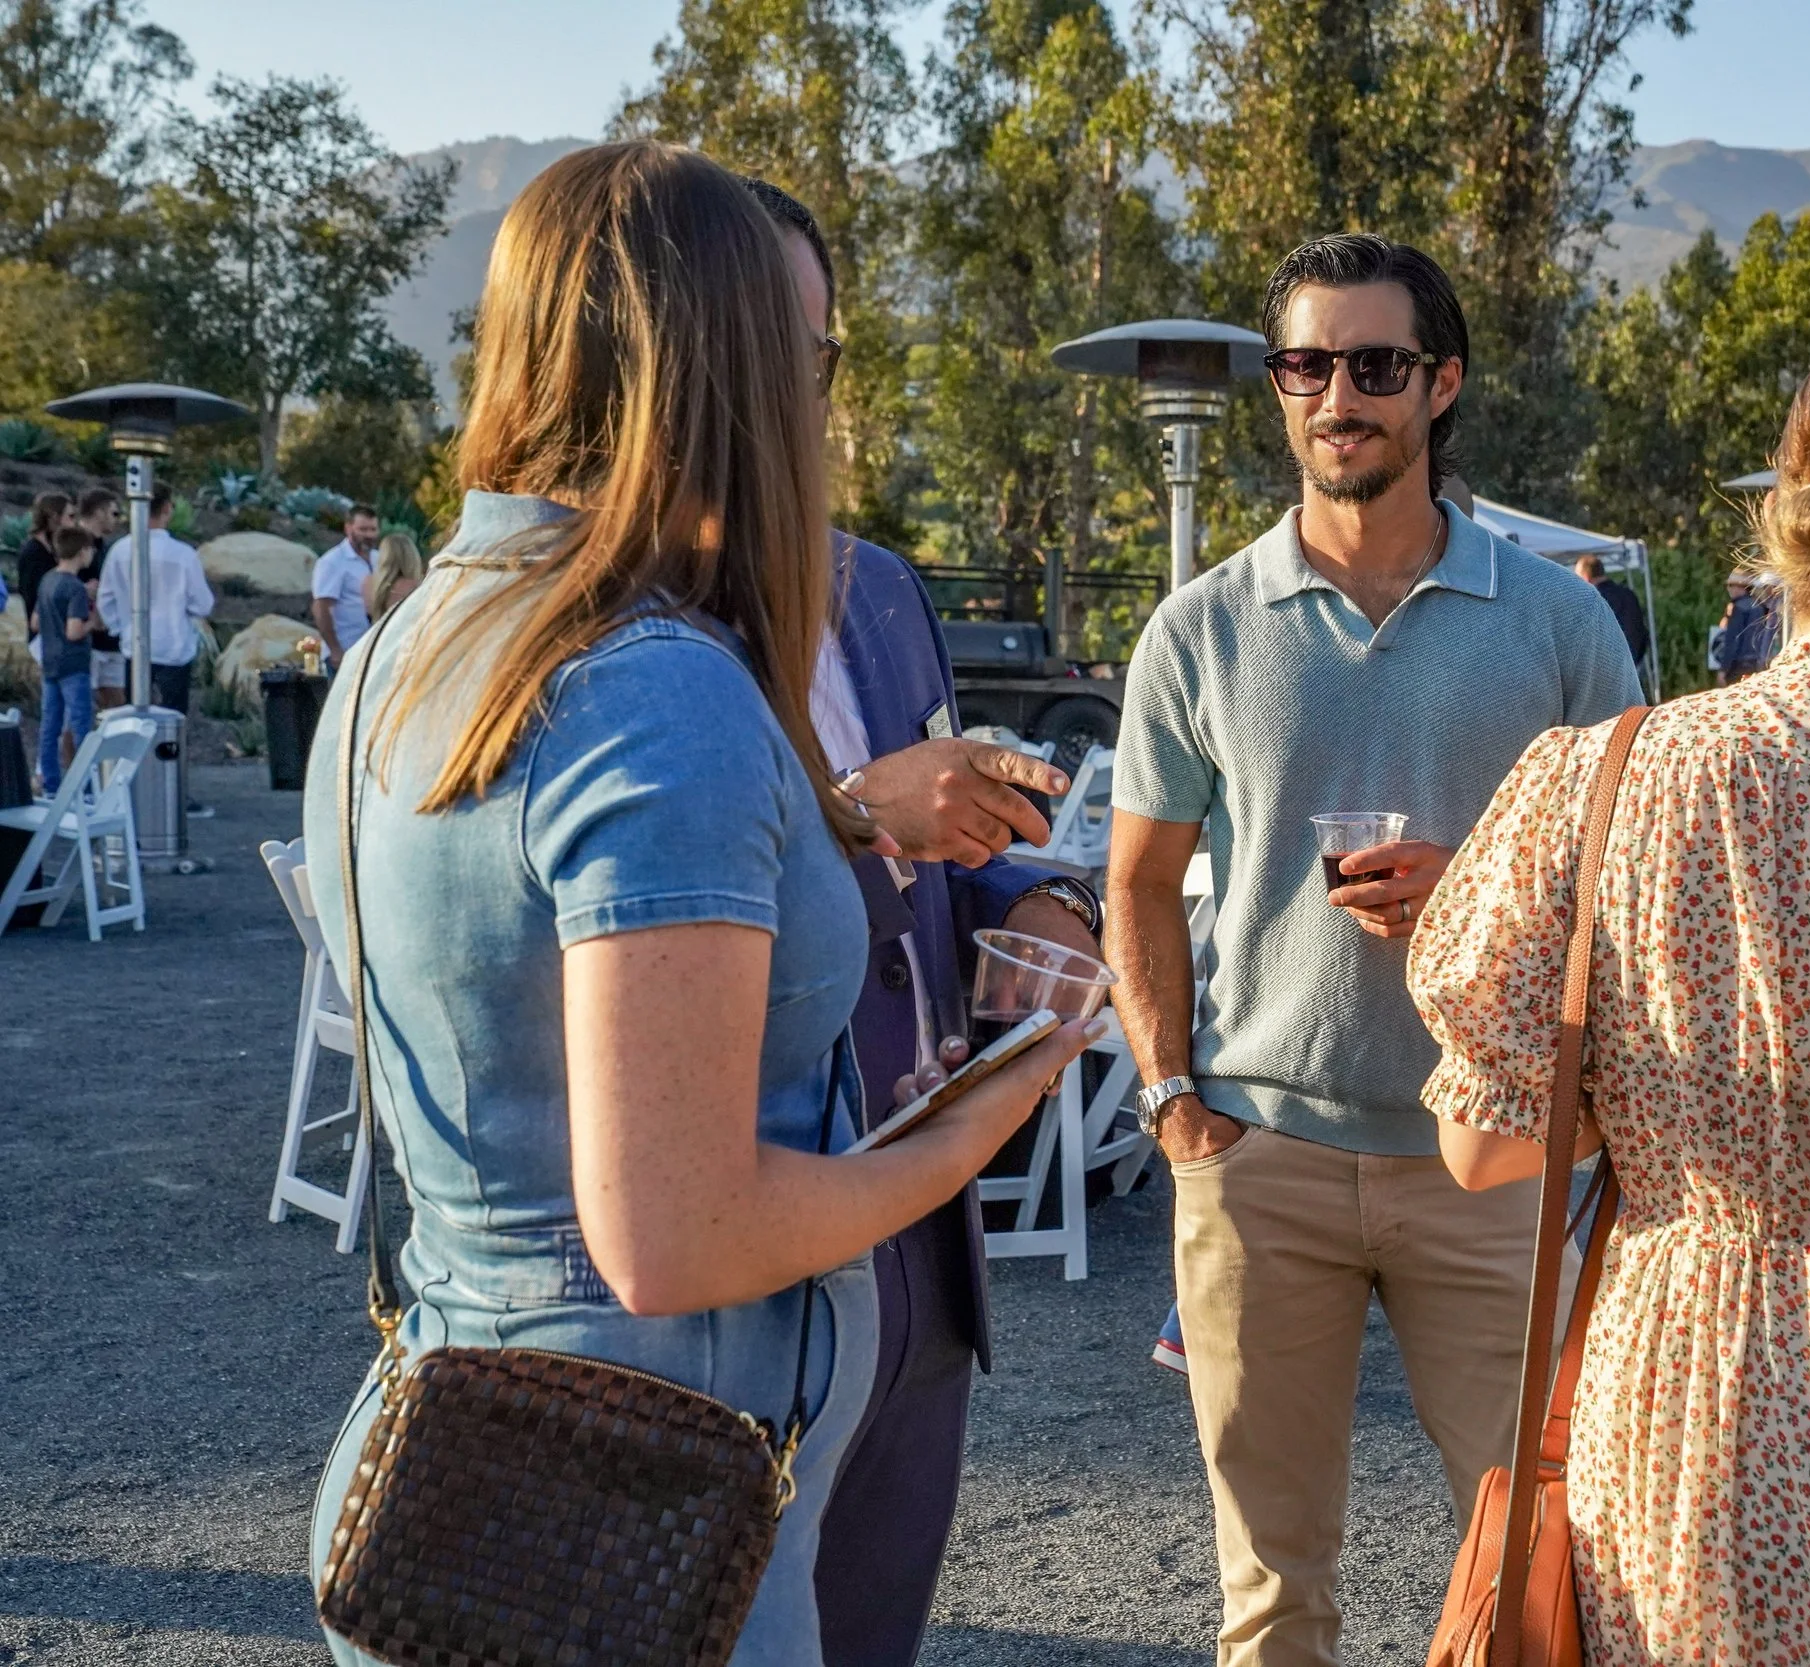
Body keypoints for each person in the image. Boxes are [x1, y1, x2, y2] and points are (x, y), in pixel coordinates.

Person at [297, 140, 1095, 1667]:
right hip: (640, 1525)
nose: (817, 404)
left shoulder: (415, 639)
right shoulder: (655, 685)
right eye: (808, 363)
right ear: (728, 366)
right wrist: (965, 1130)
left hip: (462, 1464)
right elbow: (676, 1231)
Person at [1409, 329, 1810, 1665]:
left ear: (1790, 531)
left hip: (1680, 1402)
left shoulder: (1610, 775)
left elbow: (1481, 1144)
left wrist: (1665, 1107)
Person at [1105, 232, 1641, 1667]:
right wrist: (1172, 1094)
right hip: (1259, 1155)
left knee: (1547, 1567)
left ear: (1439, 382)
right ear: (1279, 390)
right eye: (1306, 364)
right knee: (1272, 1594)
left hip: (1496, 1162)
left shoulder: (1560, 623)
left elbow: (1631, 879)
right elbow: (1140, 883)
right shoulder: (1200, 628)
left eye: (1375, 364)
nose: (1338, 393)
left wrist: (1480, 884)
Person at [738, 172, 1102, 1667]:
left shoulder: (881, 588)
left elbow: (954, 859)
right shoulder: (627, 621)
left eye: (809, 344)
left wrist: (1053, 899)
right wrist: (851, 798)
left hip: (925, 1257)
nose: (784, 378)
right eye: (751, 331)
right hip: (751, 1247)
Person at [96, 483, 213, 714]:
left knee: (135, 718)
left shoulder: (120, 550)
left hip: (135, 644)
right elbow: (203, 604)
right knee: (173, 720)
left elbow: (105, 598)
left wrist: (120, 627)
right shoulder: (183, 555)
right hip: (174, 646)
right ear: (167, 509)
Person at [34, 526, 97, 795]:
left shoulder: (47, 580)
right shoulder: (75, 588)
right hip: (73, 664)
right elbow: (74, 631)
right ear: (82, 551)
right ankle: (87, 787)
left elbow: (35, 622)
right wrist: (92, 622)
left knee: (50, 725)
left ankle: (50, 783)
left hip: (50, 662)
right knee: (82, 725)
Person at [73, 489, 125, 711]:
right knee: (79, 707)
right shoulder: (74, 543)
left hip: (108, 636)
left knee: (117, 703)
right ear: (99, 512)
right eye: (114, 513)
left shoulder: (105, 548)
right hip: (85, 634)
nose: (118, 519)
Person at [312, 504, 381, 667]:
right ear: (348, 528)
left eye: (373, 529)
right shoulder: (332, 562)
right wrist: (335, 649)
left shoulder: (379, 559)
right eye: (363, 529)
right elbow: (321, 607)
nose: (369, 535)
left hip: (373, 650)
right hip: (345, 650)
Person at [1573, 552, 1650, 671]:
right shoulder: (1628, 595)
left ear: (1586, 578)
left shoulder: (1591, 601)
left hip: (1606, 671)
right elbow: (1641, 630)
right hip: (1633, 665)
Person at [15, 490, 68, 649]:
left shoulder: (51, 550)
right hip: (44, 635)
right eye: (70, 516)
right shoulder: (34, 553)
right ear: (54, 517)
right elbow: (34, 594)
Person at [1709, 570, 1779, 684]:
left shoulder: (1738, 608)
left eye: (1731, 585)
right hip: (1756, 664)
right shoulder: (1760, 607)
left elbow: (1732, 641)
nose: (1729, 589)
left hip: (1739, 666)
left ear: (1742, 587)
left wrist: (1723, 669)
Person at [360, 531, 424, 621]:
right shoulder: (418, 587)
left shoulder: (368, 582)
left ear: (384, 555)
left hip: (378, 633)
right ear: (412, 557)